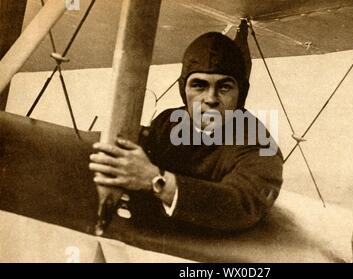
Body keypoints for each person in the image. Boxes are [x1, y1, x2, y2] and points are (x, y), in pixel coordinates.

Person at [89, 31, 283, 232]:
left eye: (224, 87)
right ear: (184, 91)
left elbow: (240, 204)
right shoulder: (169, 122)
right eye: (199, 86)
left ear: (240, 94)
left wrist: (156, 180)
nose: (211, 98)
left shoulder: (261, 147)